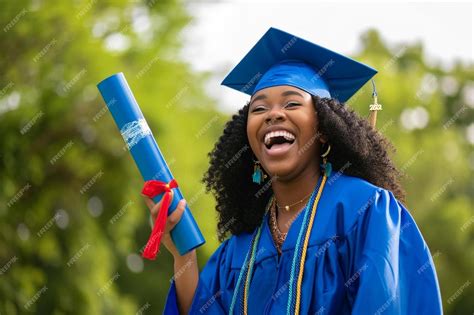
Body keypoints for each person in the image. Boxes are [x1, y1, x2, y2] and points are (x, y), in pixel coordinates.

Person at [143, 27, 442, 314]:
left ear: (324, 129)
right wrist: (184, 256)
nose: (273, 114)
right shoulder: (237, 251)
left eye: (292, 103)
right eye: (258, 109)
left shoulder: (367, 212)